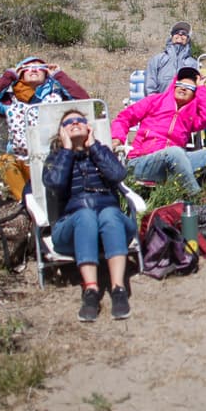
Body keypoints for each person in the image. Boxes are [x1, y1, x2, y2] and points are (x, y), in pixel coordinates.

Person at [42, 108, 138, 322]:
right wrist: (67, 150)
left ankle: (119, 289)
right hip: (71, 229)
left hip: (111, 224)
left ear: (89, 128)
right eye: (68, 122)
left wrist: (94, 147)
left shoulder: (101, 151)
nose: (75, 123)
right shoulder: (55, 158)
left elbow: (118, 174)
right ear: (61, 132)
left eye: (80, 120)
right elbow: (55, 185)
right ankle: (91, 291)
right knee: (85, 216)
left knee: (110, 214)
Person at [111, 67, 206, 201]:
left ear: (194, 93)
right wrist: (117, 138)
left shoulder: (191, 115)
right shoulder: (154, 101)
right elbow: (124, 118)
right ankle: (195, 197)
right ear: (174, 85)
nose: (183, 88)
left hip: (175, 165)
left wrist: (202, 88)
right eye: (180, 84)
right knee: (175, 152)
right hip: (143, 162)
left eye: (189, 87)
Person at [0, 56, 89, 200]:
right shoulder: (10, 102)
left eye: (40, 67)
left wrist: (59, 76)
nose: (34, 69)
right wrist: (9, 76)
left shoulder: (58, 98)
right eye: (27, 67)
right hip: (22, 158)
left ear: (46, 74)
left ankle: (49, 200)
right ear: (20, 73)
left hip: (52, 158)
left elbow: (84, 101)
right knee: (5, 161)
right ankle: (25, 202)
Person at [145, 22, 198, 95]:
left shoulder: (193, 64)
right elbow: (149, 87)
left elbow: (196, 88)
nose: (180, 34)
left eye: (184, 33)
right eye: (176, 32)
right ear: (171, 37)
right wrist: (156, 101)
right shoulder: (157, 59)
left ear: (188, 39)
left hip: (184, 101)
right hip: (160, 101)